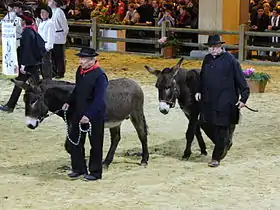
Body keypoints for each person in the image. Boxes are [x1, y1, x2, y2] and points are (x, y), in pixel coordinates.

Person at [195, 35, 250, 167]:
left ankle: (216, 158)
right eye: (210, 47)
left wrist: (243, 98)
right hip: (209, 100)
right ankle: (224, 143)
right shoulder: (207, 59)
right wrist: (198, 90)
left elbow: (241, 81)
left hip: (225, 101)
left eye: (215, 47)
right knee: (204, 123)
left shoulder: (231, 60)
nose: (213, 49)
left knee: (221, 128)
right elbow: (202, 77)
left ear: (221, 46)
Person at [62, 47, 108, 181]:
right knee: (75, 140)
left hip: (94, 115)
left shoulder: (100, 76)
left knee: (95, 144)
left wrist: (88, 115)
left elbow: (99, 99)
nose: (80, 61)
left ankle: (95, 172)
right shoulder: (80, 71)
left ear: (92, 60)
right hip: (79, 111)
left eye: (83, 58)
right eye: (80, 58)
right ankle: (78, 168)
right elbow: (78, 89)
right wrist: (69, 102)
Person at [0, 12, 42, 113]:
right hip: (33, 63)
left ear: (23, 21)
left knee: (35, 87)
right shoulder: (32, 30)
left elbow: (27, 49)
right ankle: (10, 105)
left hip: (29, 64)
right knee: (25, 85)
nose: (20, 21)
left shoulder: (27, 32)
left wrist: (23, 65)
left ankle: (11, 106)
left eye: (21, 20)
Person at [48, 0, 69, 79]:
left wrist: (64, 35)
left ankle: (60, 72)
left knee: (59, 56)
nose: (48, 2)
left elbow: (64, 25)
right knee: (52, 55)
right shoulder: (50, 11)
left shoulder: (59, 12)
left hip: (59, 36)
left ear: (54, 2)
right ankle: (53, 71)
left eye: (50, 1)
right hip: (52, 35)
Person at [38, 5, 55, 79]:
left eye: (43, 12)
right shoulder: (41, 23)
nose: (41, 14)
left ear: (48, 14)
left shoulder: (50, 23)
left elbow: (50, 37)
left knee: (46, 66)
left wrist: (47, 47)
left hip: (45, 46)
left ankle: (48, 82)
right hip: (40, 46)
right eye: (41, 12)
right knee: (42, 66)